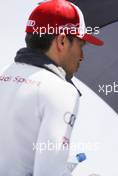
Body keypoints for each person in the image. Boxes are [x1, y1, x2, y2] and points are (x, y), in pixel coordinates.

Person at [0, 0, 103, 175]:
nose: (82, 56)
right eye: (81, 45)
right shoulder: (62, 91)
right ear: (62, 41)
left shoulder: (3, 74)